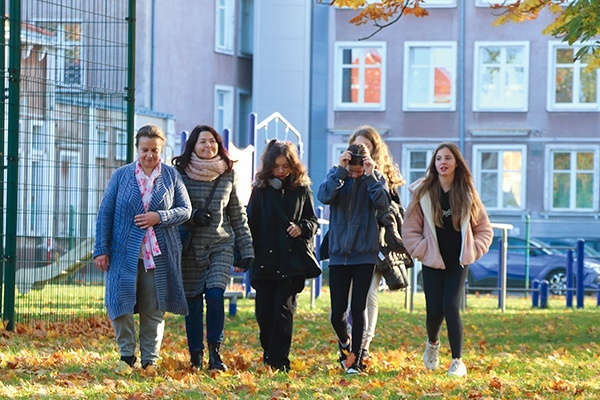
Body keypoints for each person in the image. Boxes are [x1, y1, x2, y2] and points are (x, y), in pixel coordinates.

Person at [94, 124, 192, 371]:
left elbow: (186, 210)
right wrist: (101, 249)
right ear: (137, 148)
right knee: (119, 303)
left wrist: (159, 217)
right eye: (144, 149)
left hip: (158, 255)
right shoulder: (121, 175)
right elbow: (105, 212)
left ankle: (150, 360)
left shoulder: (171, 176)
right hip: (123, 253)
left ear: (162, 150)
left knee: (153, 308)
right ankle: (127, 355)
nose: (149, 155)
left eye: (155, 150)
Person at [401, 142, 493, 378]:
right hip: (432, 261)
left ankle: (457, 361)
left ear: (456, 163)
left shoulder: (467, 193)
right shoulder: (423, 193)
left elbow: (484, 229)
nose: (443, 162)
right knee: (434, 312)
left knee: (451, 306)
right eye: (439, 158)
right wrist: (422, 250)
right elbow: (409, 229)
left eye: (448, 158)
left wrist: (473, 250)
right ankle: (432, 344)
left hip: (458, 262)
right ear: (434, 163)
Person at [172, 124, 254, 371]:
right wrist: (192, 215)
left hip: (220, 244)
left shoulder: (228, 174)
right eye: (202, 142)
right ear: (193, 146)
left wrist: (246, 247)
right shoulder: (179, 174)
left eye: (213, 142)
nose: (208, 146)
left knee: (216, 296)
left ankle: (215, 354)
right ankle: (195, 355)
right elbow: (171, 208)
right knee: (193, 304)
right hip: (189, 247)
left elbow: (237, 214)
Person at [317, 143, 390, 374]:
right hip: (339, 253)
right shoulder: (336, 175)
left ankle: (355, 361)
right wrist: (341, 171)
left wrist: (369, 177)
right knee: (337, 311)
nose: (355, 173)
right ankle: (345, 343)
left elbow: (383, 204)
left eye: (360, 169)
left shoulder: (375, 179)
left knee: (358, 308)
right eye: (353, 169)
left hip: (365, 254)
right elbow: (323, 196)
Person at [246, 140, 319, 372]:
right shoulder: (260, 190)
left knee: (284, 311)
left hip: (291, 260)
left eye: (285, 166)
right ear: (269, 166)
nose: (281, 171)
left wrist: (301, 227)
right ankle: (269, 352)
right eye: (276, 166)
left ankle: (279, 361)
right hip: (265, 259)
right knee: (264, 312)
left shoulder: (301, 189)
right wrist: (245, 254)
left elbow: (313, 221)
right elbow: (250, 223)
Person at [347, 125, 406, 366]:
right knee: (350, 297)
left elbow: (390, 210)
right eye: (357, 145)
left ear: (375, 150)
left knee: (369, 294)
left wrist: (372, 176)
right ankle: (351, 341)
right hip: (349, 244)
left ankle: (364, 345)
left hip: (376, 245)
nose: (362, 152)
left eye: (367, 147)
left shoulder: (383, 176)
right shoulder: (345, 172)